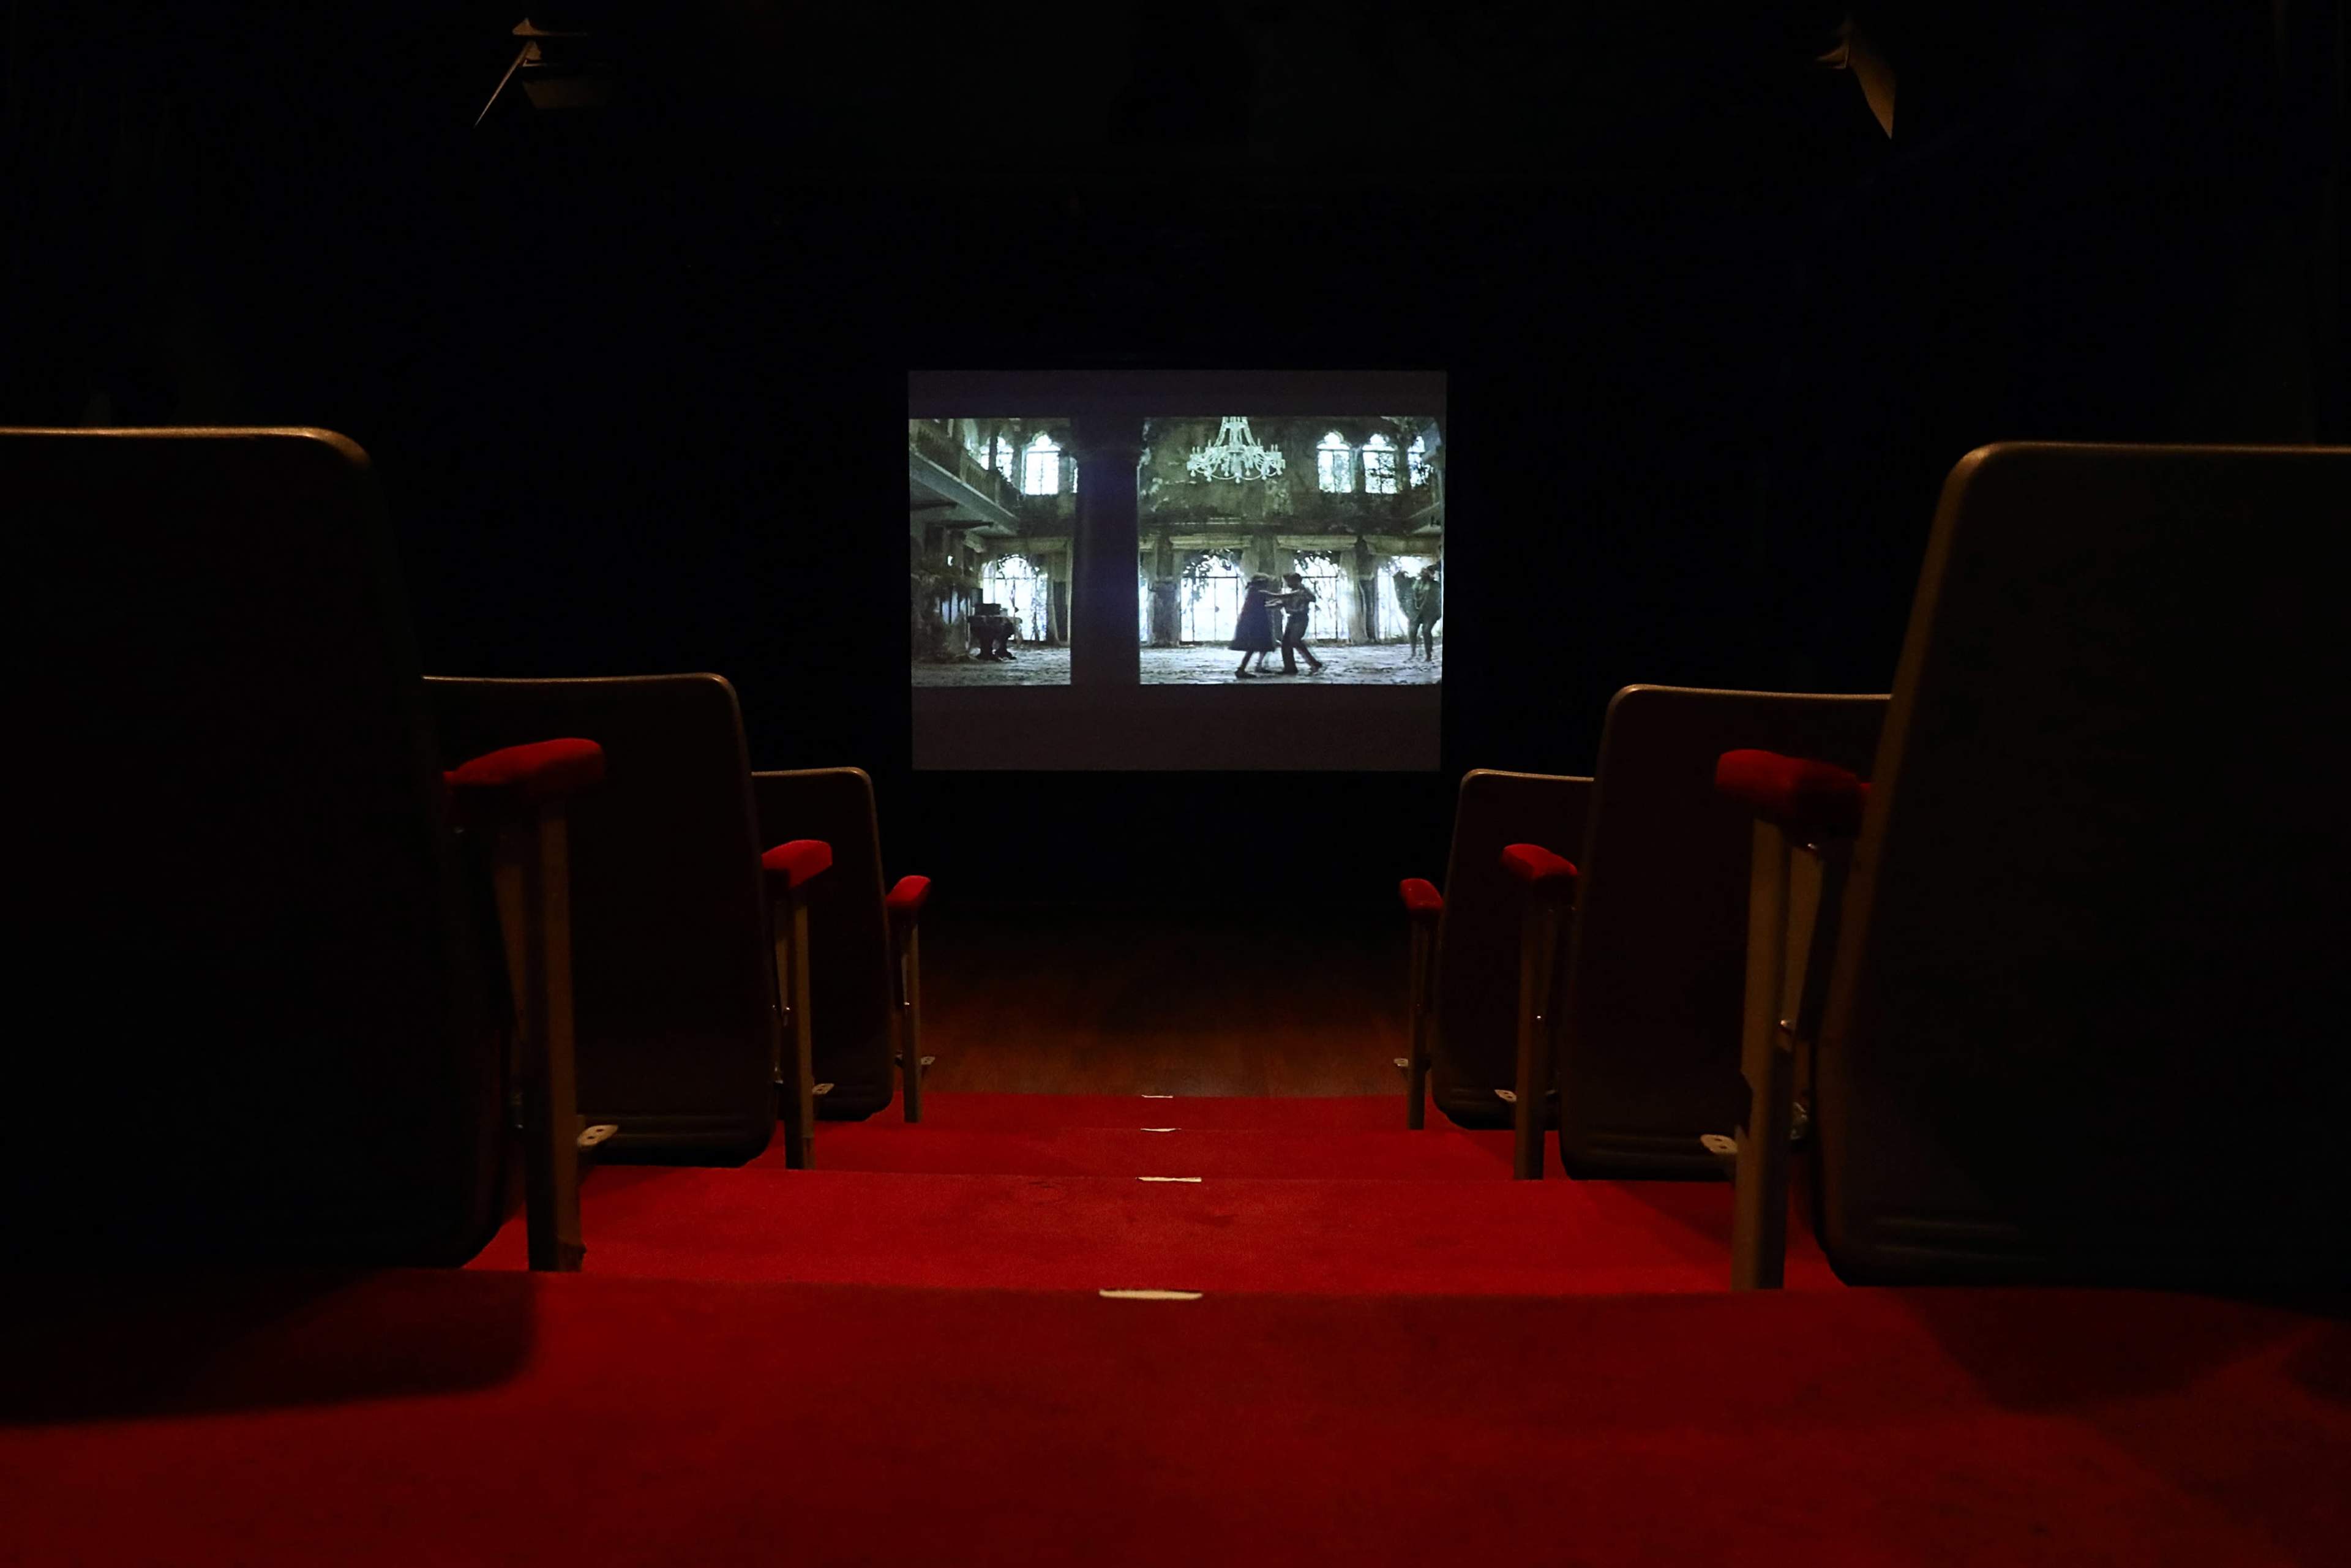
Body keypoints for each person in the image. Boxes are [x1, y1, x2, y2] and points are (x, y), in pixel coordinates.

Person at [1230, 574, 1281, 678]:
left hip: (1257, 622)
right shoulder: (1259, 592)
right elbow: (1276, 597)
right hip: (1255, 623)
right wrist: (1291, 597)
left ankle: (1258, 665)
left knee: (1264, 644)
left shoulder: (1253, 591)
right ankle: (1242, 669)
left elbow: (1263, 604)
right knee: (1253, 647)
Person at [1276, 571, 1325, 675]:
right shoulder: (1293, 591)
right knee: (1286, 644)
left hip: (1301, 618)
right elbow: (1283, 602)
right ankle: (1290, 667)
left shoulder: (1303, 591)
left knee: (1295, 640)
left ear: (1296, 581)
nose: (1288, 583)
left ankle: (1313, 663)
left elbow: (1313, 598)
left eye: (1289, 581)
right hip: (1293, 618)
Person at [1404, 564, 1440, 661]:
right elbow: (1411, 596)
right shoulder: (1417, 583)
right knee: (1412, 630)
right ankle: (1413, 652)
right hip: (1417, 612)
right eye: (1423, 572)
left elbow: (1436, 600)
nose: (1424, 574)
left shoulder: (1435, 585)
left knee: (1426, 631)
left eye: (1427, 573)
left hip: (1430, 613)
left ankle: (1428, 655)